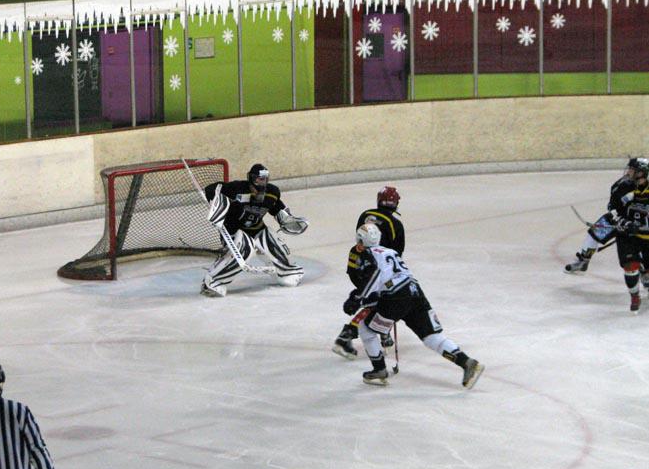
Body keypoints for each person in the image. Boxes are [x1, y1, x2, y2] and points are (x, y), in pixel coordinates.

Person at [342, 223, 485, 388]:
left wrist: (357, 298)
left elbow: (374, 276)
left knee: (365, 328)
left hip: (396, 297)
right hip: (415, 291)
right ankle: (467, 363)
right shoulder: (390, 252)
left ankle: (379, 370)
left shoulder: (368, 254)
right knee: (431, 337)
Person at [201, 163, 308, 297]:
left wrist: (287, 219)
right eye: (259, 179)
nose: (262, 183)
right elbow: (211, 190)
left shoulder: (272, 192)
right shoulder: (237, 188)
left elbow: (277, 208)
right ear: (251, 178)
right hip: (235, 231)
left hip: (258, 229)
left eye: (265, 179)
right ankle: (213, 281)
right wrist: (218, 205)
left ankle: (286, 272)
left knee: (277, 248)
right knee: (244, 250)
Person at [333, 186, 405, 359]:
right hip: (375, 269)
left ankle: (383, 334)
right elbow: (396, 254)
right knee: (386, 300)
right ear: (395, 203)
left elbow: (360, 239)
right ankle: (346, 336)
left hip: (356, 264)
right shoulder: (395, 224)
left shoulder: (365, 214)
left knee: (377, 300)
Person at [608, 158, 649, 311]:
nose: (629, 173)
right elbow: (612, 211)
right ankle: (635, 296)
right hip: (627, 236)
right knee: (631, 266)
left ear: (643, 173)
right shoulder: (621, 187)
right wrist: (625, 223)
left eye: (633, 170)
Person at [564, 161, 637, 274]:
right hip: (617, 218)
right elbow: (613, 201)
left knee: (639, 249)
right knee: (594, 234)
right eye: (629, 168)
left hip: (636, 222)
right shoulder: (623, 183)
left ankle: (647, 271)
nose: (628, 172)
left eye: (632, 169)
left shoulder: (647, 189)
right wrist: (614, 210)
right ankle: (583, 261)